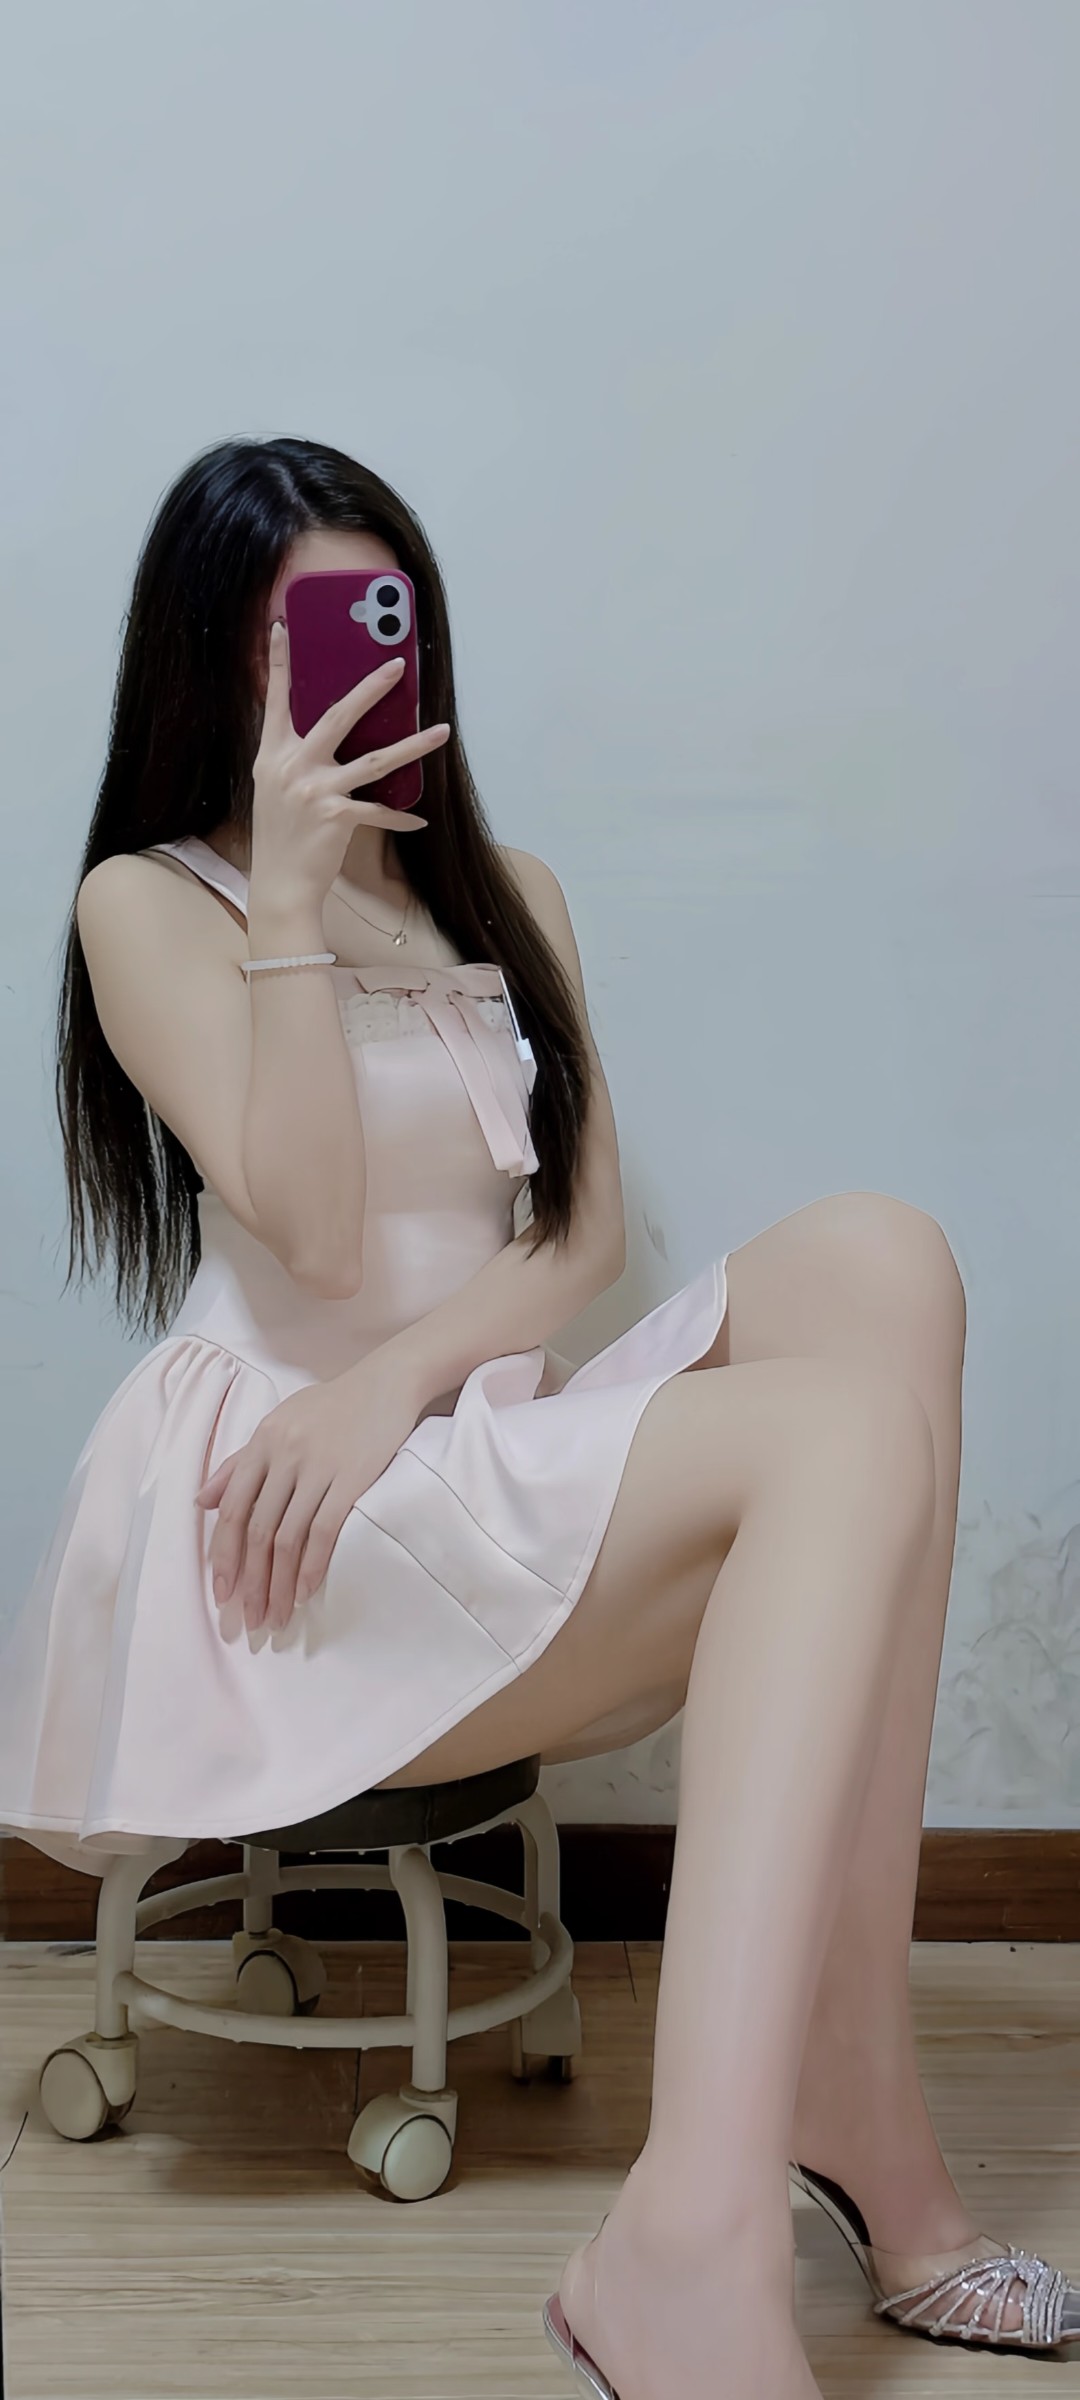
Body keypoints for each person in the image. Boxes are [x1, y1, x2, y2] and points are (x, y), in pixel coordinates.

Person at [2, 434, 1075, 2399]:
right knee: (839, 1438)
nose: (334, 673)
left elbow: (572, 1235)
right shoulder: (148, 907)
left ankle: (844, 2095)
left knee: (884, 1262)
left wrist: (403, 1380)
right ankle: (693, 2234)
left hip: (441, 1437)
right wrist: (292, 899)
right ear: (202, 659)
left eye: (369, 619)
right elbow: (313, 1227)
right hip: (295, 1519)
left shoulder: (510, 897)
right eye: (284, 637)